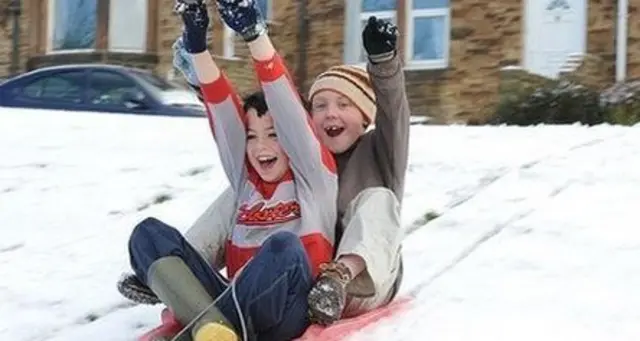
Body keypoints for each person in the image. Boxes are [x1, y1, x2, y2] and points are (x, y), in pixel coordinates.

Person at [120, 4, 410, 333]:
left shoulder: (355, 159)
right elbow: (232, 121)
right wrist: (198, 51)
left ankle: (206, 321)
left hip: (354, 281)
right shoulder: (263, 166)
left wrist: (383, 62)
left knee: (373, 201)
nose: (331, 113)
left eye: (344, 105)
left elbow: (389, 113)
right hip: (260, 288)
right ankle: (191, 297)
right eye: (319, 106)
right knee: (155, 230)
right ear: (308, 119)